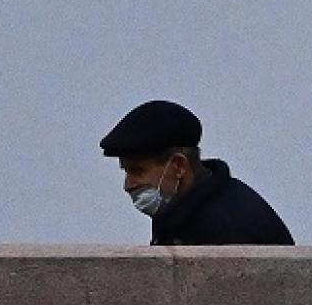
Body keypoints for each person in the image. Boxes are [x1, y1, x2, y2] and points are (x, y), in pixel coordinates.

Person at [100, 99, 293, 245]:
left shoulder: (229, 227)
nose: (128, 185)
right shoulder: (181, 210)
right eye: (126, 172)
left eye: (137, 171)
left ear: (178, 166)